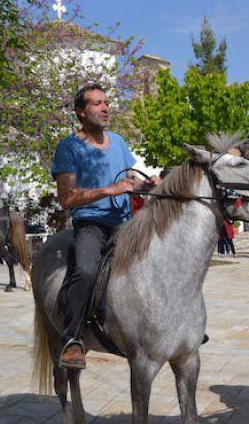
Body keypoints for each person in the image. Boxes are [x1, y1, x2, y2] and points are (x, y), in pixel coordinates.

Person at [52, 84, 160, 370]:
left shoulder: (118, 142)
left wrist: (146, 185)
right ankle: (72, 339)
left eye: (106, 102)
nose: (105, 108)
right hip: (92, 223)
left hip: (125, 224)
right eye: (97, 103)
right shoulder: (68, 147)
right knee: (86, 269)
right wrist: (108, 190)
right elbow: (66, 198)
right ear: (81, 111)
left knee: (162, 258)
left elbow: (129, 182)